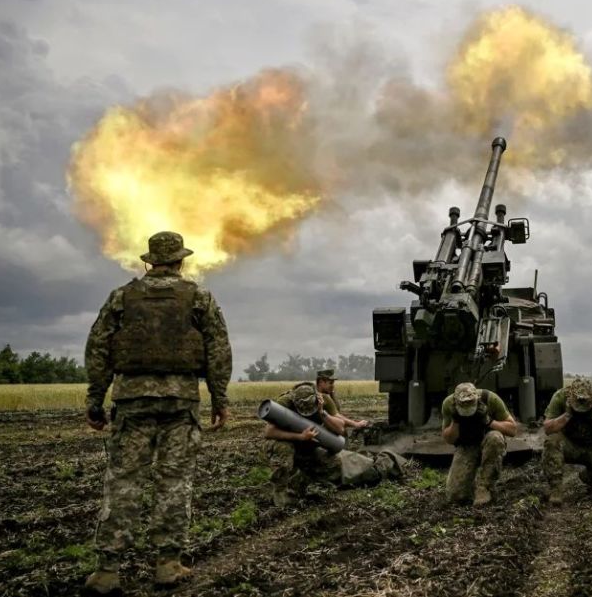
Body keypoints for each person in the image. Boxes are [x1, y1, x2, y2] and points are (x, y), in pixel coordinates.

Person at [82, 231, 232, 594]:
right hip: (179, 403)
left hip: (132, 402)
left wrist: (95, 400)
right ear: (181, 261)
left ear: (148, 262)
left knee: (123, 481)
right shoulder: (199, 297)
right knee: (173, 483)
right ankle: (167, 565)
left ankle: (106, 571)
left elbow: (98, 348)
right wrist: (219, 398)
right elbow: (218, 350)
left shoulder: (121, 297)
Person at [263, 383, 405, 507]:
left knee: (335, 465)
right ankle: (280, 493)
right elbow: (269, 432)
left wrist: (321, 412)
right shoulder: (285, 402)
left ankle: (302, 479)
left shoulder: (322, 401)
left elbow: (340, 428)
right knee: (283, 447)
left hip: (309, 445)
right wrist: (300, 436)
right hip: (288, 442)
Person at [541, 378, 592, 504]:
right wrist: (567, 415)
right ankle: (556, 489)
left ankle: (590, 476)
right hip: (568, 444)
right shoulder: (560, 397)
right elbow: (547, 428)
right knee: (552, 442)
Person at [440, 382, 518, 506]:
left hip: (488, 441)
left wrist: (488, 421)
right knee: (455, 496)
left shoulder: (490, 399)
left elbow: (513, 429)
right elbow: (449, 439)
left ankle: (485, 486)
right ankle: (470, 484)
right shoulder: (448, 404)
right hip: (467, 445)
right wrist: (455, 421)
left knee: (495, 437)